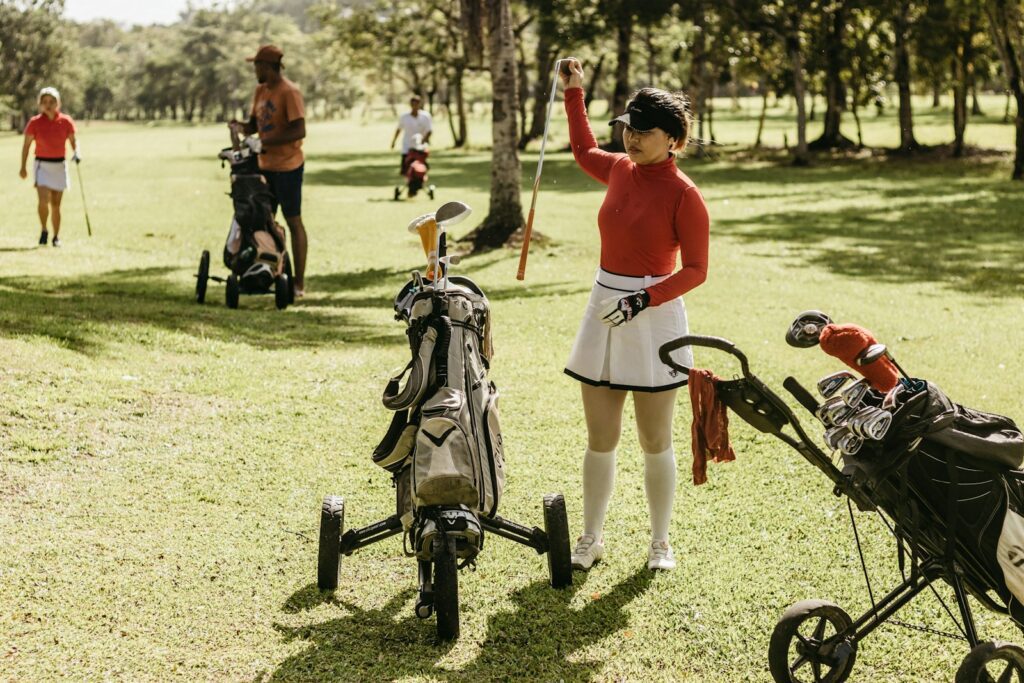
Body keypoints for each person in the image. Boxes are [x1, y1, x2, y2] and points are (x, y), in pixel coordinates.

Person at [559, 59, 710, 572]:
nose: (631, 140)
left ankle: (660, 542)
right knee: (601, 438)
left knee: (654, 439)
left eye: (644, 133)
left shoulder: (685, 195)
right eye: (628, 129)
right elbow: (583, 150)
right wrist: (574, 92)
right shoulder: (620, 168)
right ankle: (591, 537)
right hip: (605, 303)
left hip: (654, 313)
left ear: (673, 139)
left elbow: (696, 270)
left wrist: (643, 300)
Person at [230, 44, 309, 297]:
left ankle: (298, 284)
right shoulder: (261, 91)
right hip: (264, 166)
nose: (254, 70)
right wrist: (240, 127)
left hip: (288, 166)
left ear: (267, 66)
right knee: (265, 223)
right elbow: (255, 124)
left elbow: (299, 130)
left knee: (293, 221)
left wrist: (264, 142)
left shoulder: (289, 92)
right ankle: (272, 274)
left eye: (257, 65)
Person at [19, 87, 80, 247]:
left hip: (59, 165)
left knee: (56, 204)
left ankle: (56, 236)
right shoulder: (35, 123)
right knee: (43, 200)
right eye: (45, 102)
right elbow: (26, 146)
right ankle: (44, 230)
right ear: (40, 104)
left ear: (57, 103)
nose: (48, 105)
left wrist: (76, 152)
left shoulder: (66, 121)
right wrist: (23, 167)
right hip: (42, 165)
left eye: (52, 102)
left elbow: (74, 141)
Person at [390, 94, 432, 176]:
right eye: (413, 104)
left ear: (419, 104)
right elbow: (399, 129)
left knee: (421, 168)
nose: (415, 106)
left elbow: (429, 131)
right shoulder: (404, 117)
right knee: (406, 169)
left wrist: (423, 141)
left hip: (420, 148)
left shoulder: (425, 116)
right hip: (407, 146)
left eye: (416, 104)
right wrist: (393, 141)